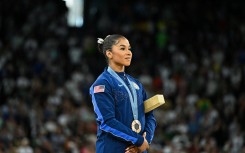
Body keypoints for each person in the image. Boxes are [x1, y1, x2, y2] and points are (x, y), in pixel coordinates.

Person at [89, 34, 157, 153]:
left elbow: (150, 115)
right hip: (113, 149)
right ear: (109, 53)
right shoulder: (102, 84)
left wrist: (146, 140)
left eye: (129, 48)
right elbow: (107, 121)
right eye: (122, 48)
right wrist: (138, 140)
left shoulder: (136, 84)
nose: (129, 52)